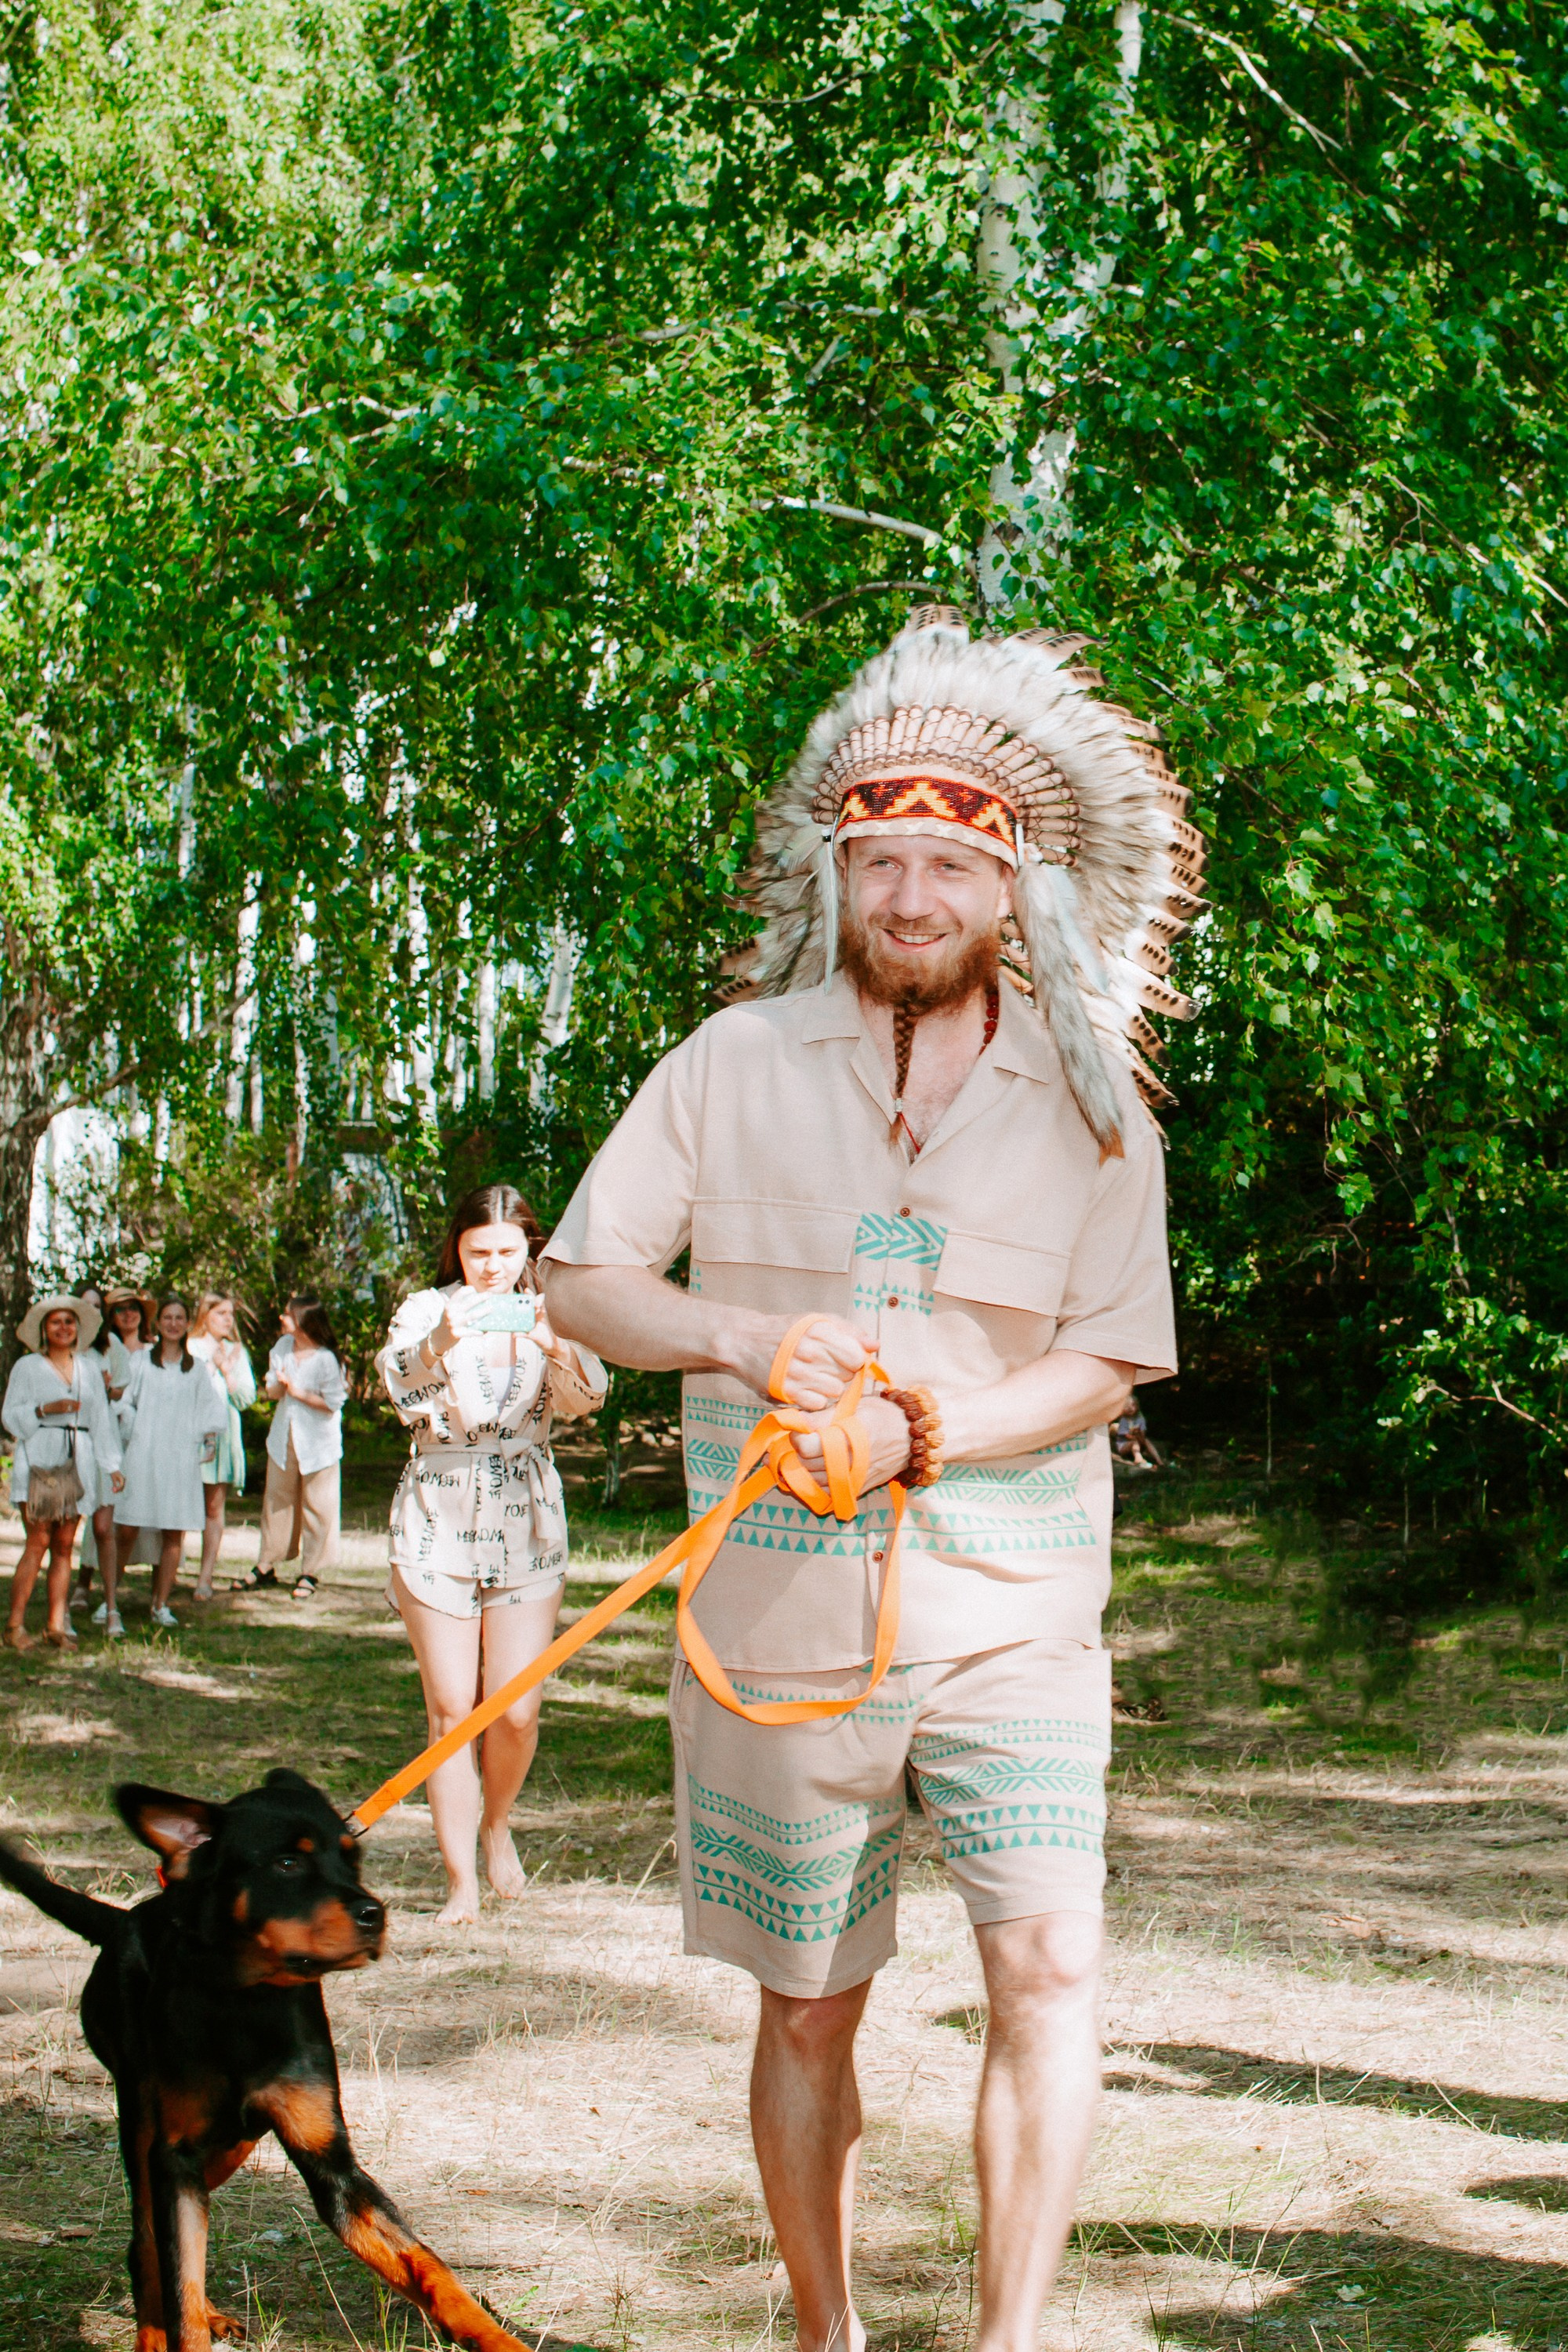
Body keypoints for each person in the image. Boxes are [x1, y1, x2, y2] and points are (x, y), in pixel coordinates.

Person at [543, 609, 1202, 2349]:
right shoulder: (727, 1063)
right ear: (833, 875)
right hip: (774, 1624)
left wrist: (929, 1431)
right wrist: (744, 1340)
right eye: (879, 861)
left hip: (1015, 1617)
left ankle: (1008, 2340)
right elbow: (582, 1283)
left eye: (948, 866)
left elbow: (1108, 1357)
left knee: (1048, 1968)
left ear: (1013, 889)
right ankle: (823, 2327)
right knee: (809, 2008)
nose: (910, 897)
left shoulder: (1096, 1107)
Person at [376, 1184, 607, 1925]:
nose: (493, 1267)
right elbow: (396, 1382)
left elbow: (591, 1396)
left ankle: (497, 1822)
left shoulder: (552, 1311)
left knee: (515, 1708)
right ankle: (460, 1886)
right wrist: (440, 1340)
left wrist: (553, 1341)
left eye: (508, 1252)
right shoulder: (426, 1310)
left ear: (528, 1249)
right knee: (451, 1709)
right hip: (437, 1512)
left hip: (526, 1516)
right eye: (479, 1252)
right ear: (458, 1248)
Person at [3, 1296, 124, 1648]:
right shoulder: (28, 1367)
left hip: (78, 1456)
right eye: (55, 1322)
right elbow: (9, 1415)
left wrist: (112, 1466)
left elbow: (101, 1420)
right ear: (44, 1328)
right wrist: (44, 1409)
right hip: (40, 1457)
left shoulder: (88, 1369)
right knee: (38, 1540)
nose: (63, 1328)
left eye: (69, 1322)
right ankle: (14, 1626)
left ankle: (56, 1625)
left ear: (78, 1329)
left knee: (64, 1544)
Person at [114, 1295, 227, 1630]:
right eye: (167, 1317)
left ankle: (160, 1603)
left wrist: (202, 1438)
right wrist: (135, 1430)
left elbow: (212, 1411)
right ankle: (110, 1600)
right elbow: (125, 1403)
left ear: (187, 1323)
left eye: (179, 1318)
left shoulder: (196, 1370)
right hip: (143, 1454)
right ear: (158, 1323)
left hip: (179, 1459)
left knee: (173, 1531)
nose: (173, 1324)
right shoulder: (141, 1362)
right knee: (128, 1527)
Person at [232, 1296, 346, 1602]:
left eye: (288, 1315)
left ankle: (311, 1571)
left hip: (318, 1442)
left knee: (317, 1505)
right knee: (277, 1501)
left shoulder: (326, 1358)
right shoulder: (283, 1346)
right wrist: (279, 1385)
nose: (282, 1318)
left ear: (305, 1322)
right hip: (284, 1437)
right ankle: (266, 1564)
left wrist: (297, 1391)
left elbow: (333, 1403)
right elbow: (272, 1392)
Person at [71, 1282, 140, 1613]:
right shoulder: (64, 1344)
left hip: (103, 1435)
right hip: (69, 1434)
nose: (91, 1311)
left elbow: (119, 1392)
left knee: (102, 1524)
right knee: (67, 1521)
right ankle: (71, 1594)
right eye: (85, 1304)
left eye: (97, 1306)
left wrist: (107, 1387)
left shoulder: (111, 1345)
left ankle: (107, 1603)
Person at [188, 1290, 256, 1601]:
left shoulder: (236, 1351)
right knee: (177, 1504)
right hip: (189, 1436)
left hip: (222, 1437)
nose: (228, 1320)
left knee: (213, 1509)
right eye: (221, 1313)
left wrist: (228, 1371)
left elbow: (246, 1398)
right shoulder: (190, 1347)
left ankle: (205, 1577)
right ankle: (165, 1572)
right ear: (205, 1315)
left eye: (231, 1314)